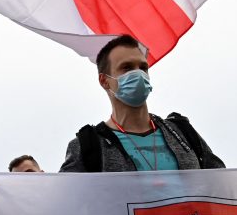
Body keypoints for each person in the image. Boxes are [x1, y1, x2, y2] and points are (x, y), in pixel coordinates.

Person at [60, 35, 224, 172]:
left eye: (143, 67)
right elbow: (66, 204)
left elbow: (222, 185)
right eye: (127, 68)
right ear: (104, 81)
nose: (138, 73)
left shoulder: (182, 132)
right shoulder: (88, 146)